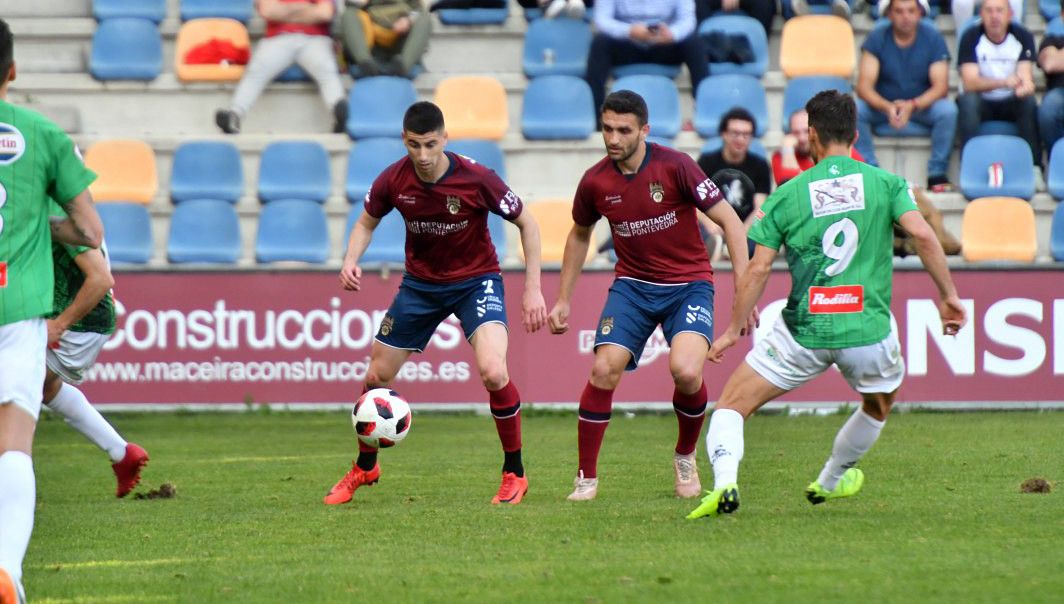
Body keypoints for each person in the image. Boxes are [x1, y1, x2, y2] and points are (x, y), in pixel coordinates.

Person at [686, 90, 966, 520]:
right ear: (854, 135)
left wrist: (731, 328)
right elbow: (926, 236)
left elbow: (759, 269)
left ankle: (724, 484)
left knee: (731, 405)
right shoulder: (886, 183)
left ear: (811, 137)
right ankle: (830, 480)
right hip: (867, 331)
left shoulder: (788, 193)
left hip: (805, 332)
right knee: (878, 404)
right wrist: (948, 297)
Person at [325, 101, 548, 506]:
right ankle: (365, 466)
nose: (423, 156)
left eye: (430, 144)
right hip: (421, 287)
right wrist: (350, 260)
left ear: (445, 138)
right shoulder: (393, 179)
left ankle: (515, 472)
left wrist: (532, 288)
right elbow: (365, 222)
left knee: (494, 372)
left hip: (476, 282)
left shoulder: (478, 178)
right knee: (376, 378)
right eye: (414, 145)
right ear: (404, 141)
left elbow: (528, 223)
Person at [547, 90, 755, 502]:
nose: (613, 138)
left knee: (686, 372)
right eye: (607, 128)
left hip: (689, 285)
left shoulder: (676, 166)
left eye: (623, 130)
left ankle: (684, 455)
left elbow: (731, 222)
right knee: (603, 369)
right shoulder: (595, 181)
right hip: (633, 287)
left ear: (644, 130)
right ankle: (586, 477)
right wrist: (563, 299)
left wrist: (742, 293)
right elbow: (579, 234)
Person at [0, 18, 105, 603]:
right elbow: (91, 231)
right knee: (12, 445)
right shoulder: (41, 134)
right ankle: (7, 572)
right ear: (12, 70)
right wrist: (41, 222)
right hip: (16, 313)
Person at [42, 222, 149, 499]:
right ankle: (122, 454)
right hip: (69, 317)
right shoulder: (60, 204)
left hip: (75, 323)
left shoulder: (57, 212)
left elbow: (101, 279)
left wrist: (60, 325)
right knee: (44, 389)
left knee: (13, 391)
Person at [856, 0, 957, 192]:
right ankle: (869, 170)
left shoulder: (933, 36)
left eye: (911, 11)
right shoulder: (877, 36)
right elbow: (864, 87)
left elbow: (941, 87)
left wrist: (912, 105)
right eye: (899, 11)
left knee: (948, 111)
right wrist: (887, 107)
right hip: (883, 108)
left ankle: (937, 173)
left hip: (921, 108)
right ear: (889, 14)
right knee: (856, 109)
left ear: (920, 13)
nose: (905, 17)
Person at [215, 0, 347, 134]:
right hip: (279, 38)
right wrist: (306, 8)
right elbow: (268, 11)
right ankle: (234, 116)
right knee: (257, 70)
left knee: (327, 70)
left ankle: (340, 113)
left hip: (315, 39)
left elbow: (325, 13)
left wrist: (286, 12)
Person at [586, 0, 708, 120]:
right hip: (627, 43)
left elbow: (688, 21)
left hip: (664, 44)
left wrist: (672, 34)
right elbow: (602, 21)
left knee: (694, 43)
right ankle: (596, 116)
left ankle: (704, 110)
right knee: (600, 43)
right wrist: (629, 31)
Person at [956, 0, 1039, 175]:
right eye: (989, 11)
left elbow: (1025, 76)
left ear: (1010, 14)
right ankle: (968, 166)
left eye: (999, 11)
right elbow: (970, 83)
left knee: (1028, 101)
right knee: (968, 101)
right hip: (981, 101)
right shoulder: (970, 36)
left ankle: (1034, 167)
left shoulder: (1022, 35)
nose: (994, 16)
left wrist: (1026, 86)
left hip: (1010, 100)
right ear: (981, 14)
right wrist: (1003, 82)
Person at [697, 108, 772, 229]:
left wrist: (742, 232)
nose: (741, 139)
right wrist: (711, 226)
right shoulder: (706, 162)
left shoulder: (760, 165)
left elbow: (760, 209)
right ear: (724, 134)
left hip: (747, 228)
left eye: (746, 134)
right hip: (713, 227)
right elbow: (695, 204)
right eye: (735, 133)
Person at [772, 109, 865, 186]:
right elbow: (789, 191)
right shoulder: (781, 156)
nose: (802, 138)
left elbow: (862, 177)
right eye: (796, 132)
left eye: (806, 131)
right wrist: (788, 151)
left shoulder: (838, 148)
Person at [340, 0, 431, 78]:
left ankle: (403, 66)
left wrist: (408, 20)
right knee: (349, 14)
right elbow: (350, 5)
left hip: (400, 43)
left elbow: (419, 11)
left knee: (424, 19)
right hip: (370, 42)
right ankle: (365, 63)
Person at [1037, 0, 1064, 162]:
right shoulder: (1052, 39)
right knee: (1049, 106)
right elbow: (1050, 64)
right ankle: (1058, 161)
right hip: (1060, 94)